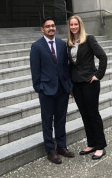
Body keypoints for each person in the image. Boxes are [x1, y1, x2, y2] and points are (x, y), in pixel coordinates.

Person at [30, 17, 75, 164]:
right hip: (46, 90)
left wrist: (68, 86)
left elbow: (66, 67)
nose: (51, 28)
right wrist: (39, 87)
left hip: (62, 89)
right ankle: (50, 150)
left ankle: (62, 146)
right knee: (47, 121)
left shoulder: (62, 44)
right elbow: (35, 70)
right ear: (42, 29)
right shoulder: (37, 47)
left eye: (53, 26)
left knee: (61, 119)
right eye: (47, 26)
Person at [67, 15, 108, 160]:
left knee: (93, 114)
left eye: (75, 24)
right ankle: (91, 143)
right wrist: (70, 85)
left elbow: (103, 57)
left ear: (80, 25)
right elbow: (71, 65)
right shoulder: (70, 42)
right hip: (77, 84)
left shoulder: (89, 39)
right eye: (71, 25)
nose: (73, 27)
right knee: (84, 114)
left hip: (90, 82)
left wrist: (98, 75)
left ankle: (100, 146)